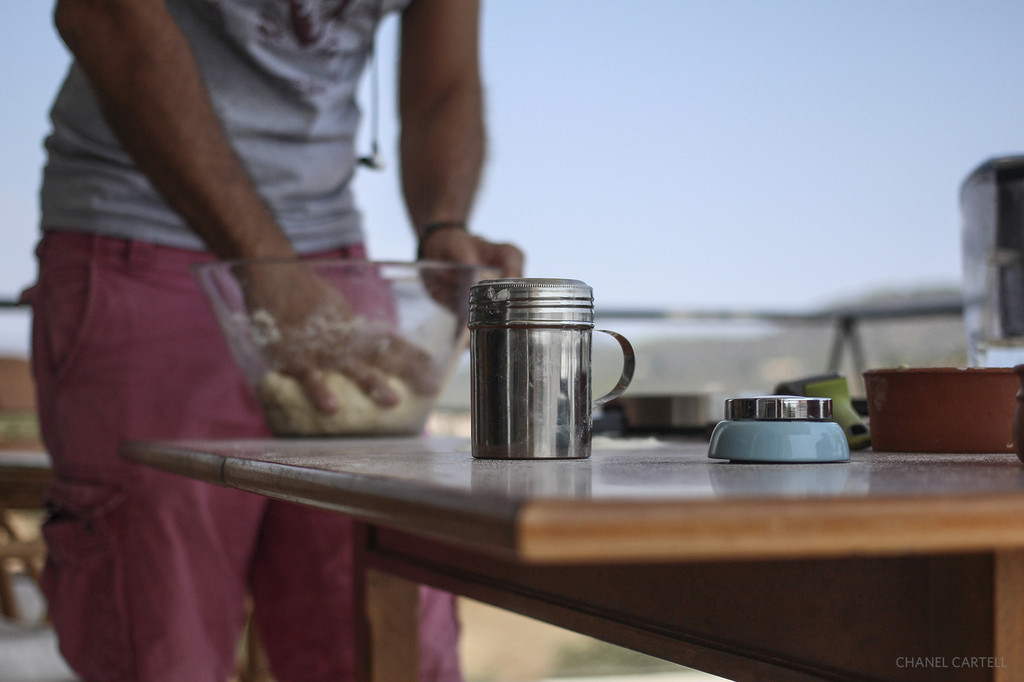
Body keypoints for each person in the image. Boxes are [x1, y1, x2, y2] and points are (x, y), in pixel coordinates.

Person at [26, 0, 523, 680]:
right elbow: (105, 16)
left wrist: (441, 223)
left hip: (331, 260)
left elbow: (444, 86)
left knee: (383, 624)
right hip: (139, 234)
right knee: (160, 637)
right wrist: (269, 267)